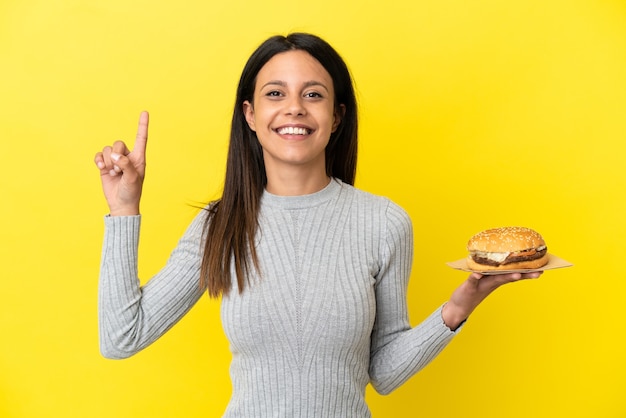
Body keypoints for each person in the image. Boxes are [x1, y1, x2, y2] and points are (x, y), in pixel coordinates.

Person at [94, 33, 542, 417]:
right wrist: (124, 209)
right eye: (275, 94)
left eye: (313, 94)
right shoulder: (221, 224)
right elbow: (121, 336)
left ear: (337, 115)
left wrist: (459, 306)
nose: (294, 109)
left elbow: (382, 372)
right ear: (250, 115)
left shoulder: (383, 222)